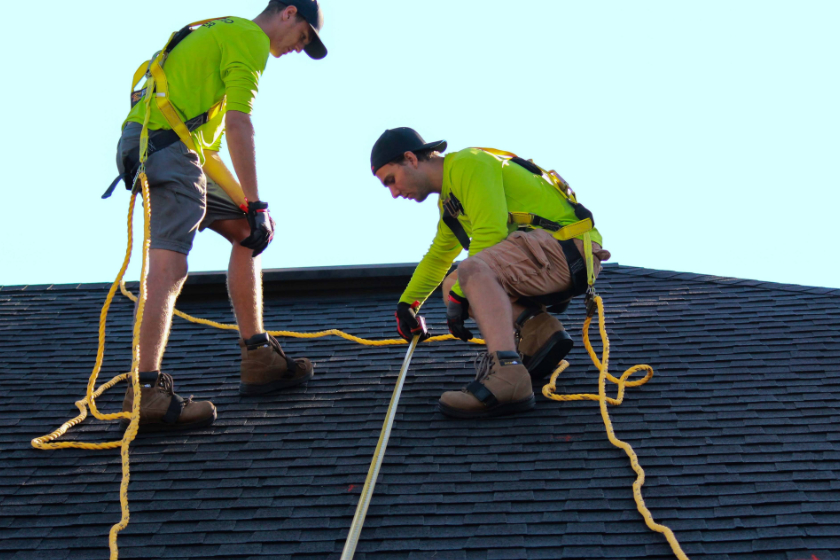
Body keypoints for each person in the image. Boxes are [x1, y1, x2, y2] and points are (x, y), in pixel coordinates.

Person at [113, 1, 328, 432]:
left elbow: (205, 144)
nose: (298, 48)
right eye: (303, 36)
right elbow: (238, 124)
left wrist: (251, 209)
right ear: (288, 13)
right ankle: (145, 391)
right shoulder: (249, 38)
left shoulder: (222, 33)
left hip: (178, 149)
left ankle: (258, 356)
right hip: (163, 149)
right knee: (170, 265)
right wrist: (257, 197)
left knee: (251, 232)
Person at [371, 127, 611, 419]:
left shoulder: (467, 163)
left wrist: (463, 293)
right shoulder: (451, 201)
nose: (394, 193)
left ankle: (508, 375)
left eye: (391, 181)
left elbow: (491, 233)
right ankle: (539, 331)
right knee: (452, 283)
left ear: (410, 158)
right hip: (550, 255)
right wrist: (408, 304)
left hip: (565, 249)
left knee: (470, 271)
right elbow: (438, 256)